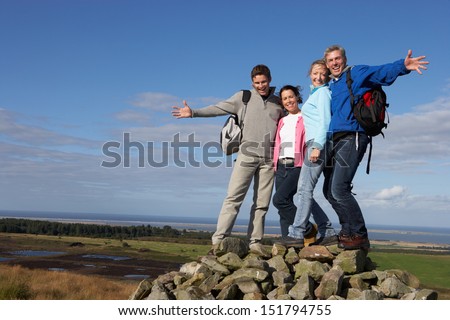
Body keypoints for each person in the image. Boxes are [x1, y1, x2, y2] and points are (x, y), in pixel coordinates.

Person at [322, 45, 429, 250]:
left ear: (344, 59)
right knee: (328, 190)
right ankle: (347, 231)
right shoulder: (332, 85)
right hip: (334, 140)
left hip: (352, 137)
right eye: (331, 60)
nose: (335, 63)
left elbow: (380, 72)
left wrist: (403, 66)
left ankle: (360, 235)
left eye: (337, 59)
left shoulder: (356, 73)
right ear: (327, 64)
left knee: (339, 188)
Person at [172, 64, 284, 256]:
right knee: (233, 198)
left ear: (270, 80)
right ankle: (219, 240)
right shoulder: (244, 97)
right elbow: (219, 108)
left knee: (261, 203)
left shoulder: (278, 102)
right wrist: (194, 112)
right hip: (246, 156)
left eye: (263, 81)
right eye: (256, 82)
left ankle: (255, 242)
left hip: (268, 160)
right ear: (252, 82)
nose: (260, 86)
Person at [276, 61, 337, 249]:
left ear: (327, 76)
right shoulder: (316, 94)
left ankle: (297, 232)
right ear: (309, 74)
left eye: (322, 73)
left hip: (316, 145)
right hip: (313, 145)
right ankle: (327, 230)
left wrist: (317, 145)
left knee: (303, 191)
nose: (318, 77)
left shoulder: (323, 93)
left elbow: (326, 122)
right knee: (304, 192)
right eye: (315, 73)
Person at [272, 85, 312, 239]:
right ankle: (288, 240)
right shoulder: (282, 121)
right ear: (282, 102)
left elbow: (310, 142)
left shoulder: (306, 118)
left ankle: (306, 227)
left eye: (291, 96)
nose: (288, 101)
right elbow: (278, 143)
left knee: (279, 200)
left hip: (297, 166)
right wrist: (275, 165)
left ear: (297, 97)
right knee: (282, 208)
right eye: (285, 98)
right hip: (281, 166)